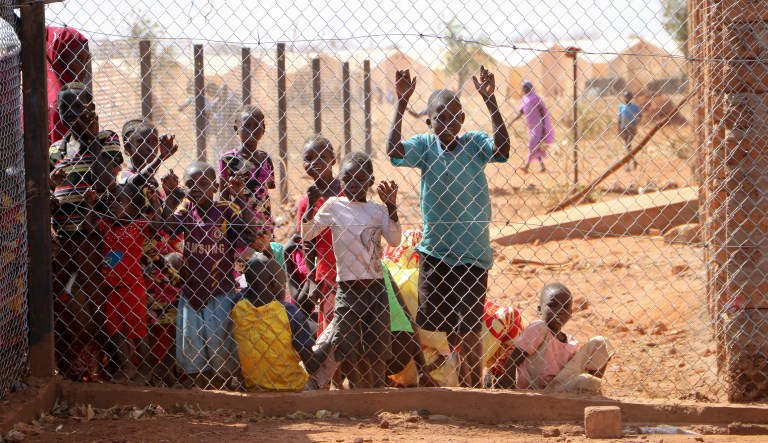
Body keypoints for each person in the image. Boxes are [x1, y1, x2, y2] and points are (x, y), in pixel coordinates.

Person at [387, 66, 510, 388]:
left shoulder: (473, 145)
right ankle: (459, 369)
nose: (449, 122)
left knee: (469, 324)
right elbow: (394, 152)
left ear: (463, 120)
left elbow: (503, 151)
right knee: (438, 321)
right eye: (441, 116)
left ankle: (472, 387)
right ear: (429, 120)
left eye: (456, 116)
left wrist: (491, 101)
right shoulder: (426, 147)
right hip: (437, 252)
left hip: (471, 254)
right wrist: (401, 103)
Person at [302, 152, 402, 388]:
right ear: (340, 181)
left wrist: (391, 205)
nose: (354, 184)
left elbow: (395, 239)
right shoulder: (334, 205)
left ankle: (376, 389)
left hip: (375, 288)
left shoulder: (378, 210)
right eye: (348, 179)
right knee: (345, 345)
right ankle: (357, 391)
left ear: (371, 182)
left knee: (377, 346)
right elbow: (308, 234)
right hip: (348, 289)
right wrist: (309, 208)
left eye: (360, 179)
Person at [159, 162, 257, 389]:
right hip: (192, 291)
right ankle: (199, 385)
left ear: (214, 186)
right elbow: (168, 226)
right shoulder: (186, 209)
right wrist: (170, 195)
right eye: (191, 184)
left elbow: (249, 231)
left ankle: (222, 383)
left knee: (219, 339)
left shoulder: (225, 209)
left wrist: (239, 197)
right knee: (192, 340)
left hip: (219, 291)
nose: (196, 188)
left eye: (203, 184)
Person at [49, 82, 120, 380]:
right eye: (66, 109)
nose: (72, 114)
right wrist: (51, 184)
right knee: (51, 291)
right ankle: (69, 354)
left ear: (91, 110)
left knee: (96, 294)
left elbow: (107, 178)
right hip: (64, 233)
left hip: (92, 233)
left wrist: (90, 139)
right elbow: (52, 200)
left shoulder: (106, 139)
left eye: (79, 108)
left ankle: (109, 354)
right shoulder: (57, 150)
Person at [231, 231, 318, 391]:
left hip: (253, 386)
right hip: (293, 387)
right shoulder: (288, 312)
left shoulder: (237, 308)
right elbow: (312, 364)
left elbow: (250, 287)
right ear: (274, 283)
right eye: (282, 280)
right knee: (329, 334)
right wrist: (331, 342)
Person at [96, 183, 161, 384]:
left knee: (138, 330)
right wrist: (92, 203)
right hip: (111, 287)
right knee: (115, 329)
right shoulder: (106, 225)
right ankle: (127, 366)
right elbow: (90, 227)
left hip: (132, 287)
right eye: (112, 201)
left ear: (133, 208)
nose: (115, 205)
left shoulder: (137, 225)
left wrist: (157, 204)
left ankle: (146, 368)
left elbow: (157, 226)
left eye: (121, 201)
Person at [496, 282, 612, 393]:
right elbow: (510, 364)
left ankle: (591, 393)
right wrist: (512, 393)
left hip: (559, 389)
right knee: (584, 380)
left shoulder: (571, 343)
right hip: (533, 390)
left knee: (601, 343)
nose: (559, 311)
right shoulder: (539, 329)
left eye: (565, 307)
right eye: (552, 305)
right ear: (540, 309)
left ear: (570, 313)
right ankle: (589, 387)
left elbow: (569, 373)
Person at [295, 136, 342, 329]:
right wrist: (312, 280)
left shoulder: (348, 190)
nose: (315, 163)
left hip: (355, 266)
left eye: (322, 157)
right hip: (327, 273)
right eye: (309, 158)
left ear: (333, 160)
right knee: (332, 325)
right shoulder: (307, 202)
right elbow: (307, 242)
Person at [219, 107, 276, 236]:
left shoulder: (266, 159)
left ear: (264, 129)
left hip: (264, 225)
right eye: (246, 126)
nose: (252, 131)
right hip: (240, 225)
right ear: (236, 129)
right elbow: (223, 197)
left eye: (257, 126)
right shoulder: (229, 159)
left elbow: (266, 193)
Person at [46, 26, 91, 145]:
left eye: (87, 59)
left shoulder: (49, 90)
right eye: (79, 58)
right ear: (59, 59)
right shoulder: (60, 103)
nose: (85, 67)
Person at [509, 80, 554, 174]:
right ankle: (542, 167)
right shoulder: (524, 100)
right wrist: (512, 121)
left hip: (538, 126)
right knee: (535, 147)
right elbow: (521, 113)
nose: (525, 89)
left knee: (532, 145)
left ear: (530, 88)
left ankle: (526, 167)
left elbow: (543, 113)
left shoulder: (536, 99)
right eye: (524, 87)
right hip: (531, 127)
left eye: (527, 87)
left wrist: (543, 126)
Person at [618, 91, 641, 170]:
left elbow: (640, 115)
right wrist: (619, 129)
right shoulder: (621, 106)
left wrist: (636, 124)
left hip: (631, 128)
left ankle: (628, 165)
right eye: (625, 97)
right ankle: (634, 162)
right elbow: (620, 118)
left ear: (630, 98)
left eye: (628, 97)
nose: (626, 98)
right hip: (624, 128)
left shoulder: (634, 107)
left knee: (628, 145)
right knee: (628, 147)